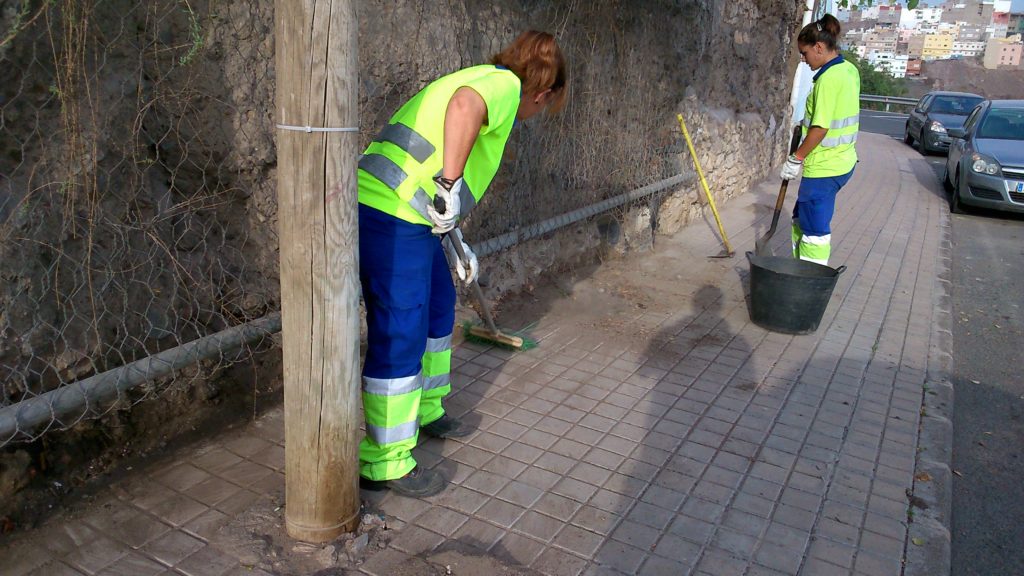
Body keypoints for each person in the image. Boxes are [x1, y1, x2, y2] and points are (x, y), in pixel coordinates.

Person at [355, 31, 567, 497]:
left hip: (409, 214)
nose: (534, 115)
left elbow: (432, 148)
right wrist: (448, 186)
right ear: (542, 93)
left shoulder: (487, 76)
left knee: (437, 306)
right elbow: (465, 107)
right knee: (402, 327)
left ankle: (427, 409)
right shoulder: (502, 86)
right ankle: (384, 461)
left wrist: (453, 235)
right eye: (544, 106)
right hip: (388, 213)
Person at [780, 14, 860, 266]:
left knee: (814, 229)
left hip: (825, 166)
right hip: (843, 161)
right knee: (800, 217)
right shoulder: (849, 70)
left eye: (804, 53)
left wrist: (796, 158)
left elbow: (821, 128)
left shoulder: (828, 79)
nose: (803, 60)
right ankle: (798, 268)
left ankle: (808, 280)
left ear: (819, 47)